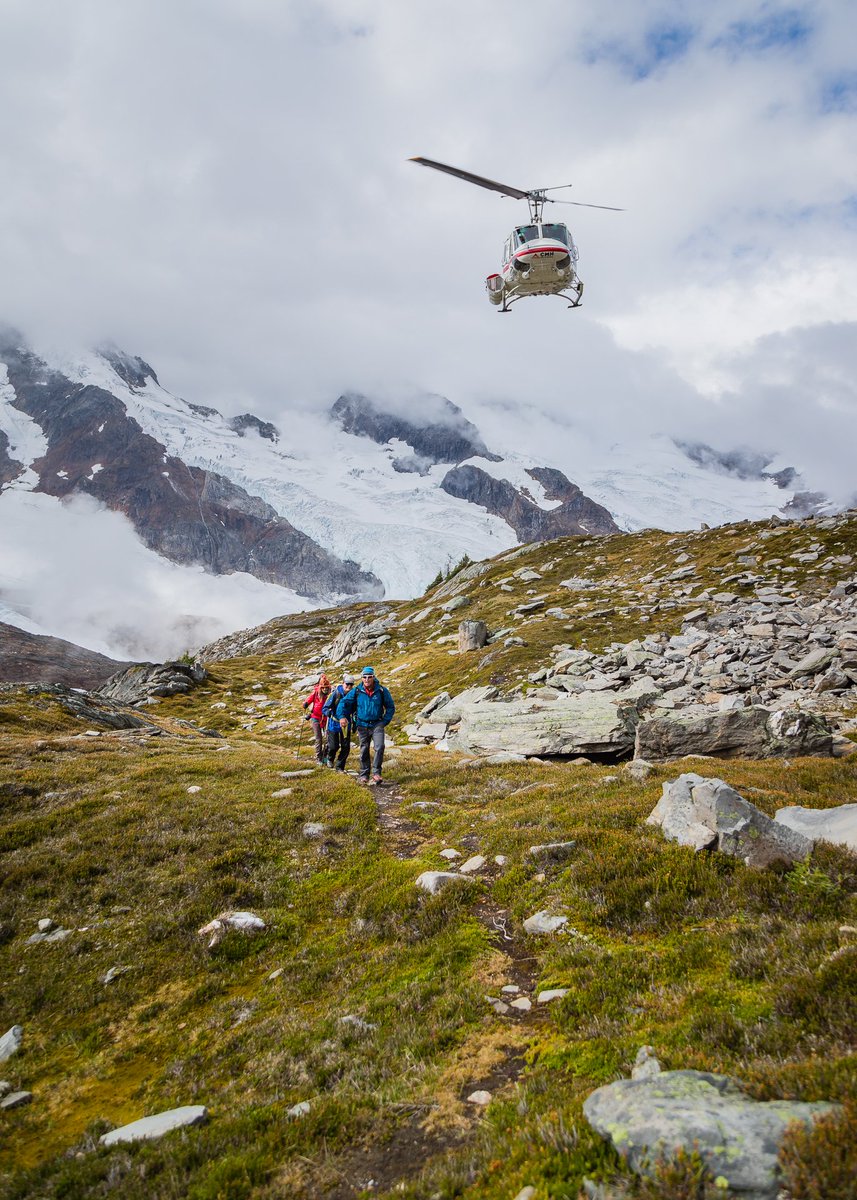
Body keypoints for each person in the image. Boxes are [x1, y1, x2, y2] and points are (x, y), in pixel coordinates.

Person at [340, 665, 395, 785]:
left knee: (379, 747)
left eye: (369, 677)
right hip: (362, 725)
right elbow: (344, 702)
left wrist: (385, 721)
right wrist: (342, 716)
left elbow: (390, 707)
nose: (366, 679)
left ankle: (376, 773)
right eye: (364, 677)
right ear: (361, 678)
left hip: (377, 724)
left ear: (373, 677)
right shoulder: (357, 691)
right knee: (364, 749)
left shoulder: (381, 690)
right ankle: (364, 775)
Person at [322, 672, 355, 770]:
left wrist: (355, 723)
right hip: (333, 724)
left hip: (346, 725)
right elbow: (325, 708)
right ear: (343, 683)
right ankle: (329, 758)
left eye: (351, 684)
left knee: (346, 748)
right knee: (333, 746)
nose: (348, 686)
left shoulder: (353, 696)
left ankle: (340, 767)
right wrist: (329, 713)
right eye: (347, 684)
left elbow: (354, 710)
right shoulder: (335, 694)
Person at [301, 673, 331, 764]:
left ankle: (325, 756)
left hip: (326, 718)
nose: (325, 689)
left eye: (326, 687)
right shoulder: (315, 693)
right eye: (323, 687)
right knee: (319, 738)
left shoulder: (330, 695)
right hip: (315, 717)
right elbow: (307, 701)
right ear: (320, 687)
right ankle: (318, 758)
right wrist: (305, 704)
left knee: (328, 738)